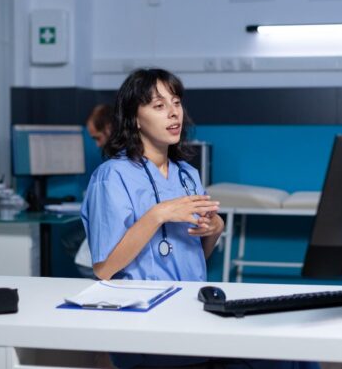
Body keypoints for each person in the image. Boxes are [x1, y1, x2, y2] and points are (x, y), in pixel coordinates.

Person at [81, 69, 320, 369]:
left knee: (297, 352)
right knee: (284, 360)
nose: (173, 113)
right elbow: (104, 268)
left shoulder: (187, 174)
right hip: (145, 324)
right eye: (158, 106)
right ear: (135, 119)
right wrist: (158, 214)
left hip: (192, 313)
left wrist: (214, 231)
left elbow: (194, 257)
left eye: (176, 102)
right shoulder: (112, 177)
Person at [74, 104, 114, 277]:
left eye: (98, 138)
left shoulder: (113, 170)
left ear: (109, 128)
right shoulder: (109, 171)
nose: (98, 145)